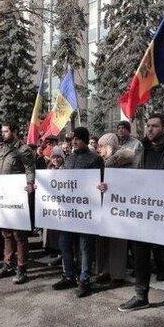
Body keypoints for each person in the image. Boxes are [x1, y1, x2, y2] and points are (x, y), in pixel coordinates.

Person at [102, 113, 164, 327]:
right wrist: (109, 185)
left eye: (154, 126)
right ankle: (141, 296)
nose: (149, 129)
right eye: (148, 126)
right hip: (142, 216)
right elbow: (119, 171)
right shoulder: (138, 149)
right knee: (141, 257)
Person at [52, 127, 105, 297]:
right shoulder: (69, 159)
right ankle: (69, 275)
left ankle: (84, 280)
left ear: (84, 139)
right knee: (64, 243)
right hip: (69, 211)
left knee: (85, 247)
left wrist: (101, 187)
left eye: (77, 139)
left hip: (86, 211)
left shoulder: (95, 159)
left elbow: (101, 181)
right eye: (72, 139)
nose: (74, 142)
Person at [0, 122, 36, 284]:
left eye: (6, 131)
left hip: (18, 197)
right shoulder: (2, 150)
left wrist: (30, 184)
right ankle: (8, 265)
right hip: (4, 197)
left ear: (15, 131)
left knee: (19, 234)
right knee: (6, 233)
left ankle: (22, 269)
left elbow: (30, 169)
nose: (3, 134)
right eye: (2, 131)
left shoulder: (24, 150)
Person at [94, 133, 133, 288]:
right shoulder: (102, 161)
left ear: (110, 146)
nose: (98, 149)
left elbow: (128, 184)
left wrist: (109, 186)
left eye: (102, 146)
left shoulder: (124, 163)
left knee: (118, 241)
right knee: (102, 240)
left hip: (118, 206)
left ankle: (117, 274)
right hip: (102, 205)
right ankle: (105, 270)